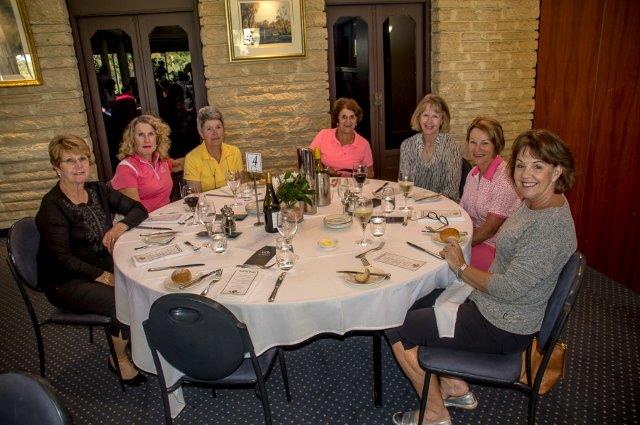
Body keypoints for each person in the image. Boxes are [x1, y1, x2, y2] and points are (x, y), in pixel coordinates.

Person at [388, 129, 577, 425]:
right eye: (520, 165)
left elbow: (509, 287)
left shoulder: (548, 228)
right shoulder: (539, 202)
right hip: (494, 305)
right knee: (413, 299)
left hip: (503, 324)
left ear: (557, 172)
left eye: (537, 166)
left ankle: (435, 413)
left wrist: (461, 268)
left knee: (394, 323)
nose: (525, 174)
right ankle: (455, 388)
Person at [36, 135, 148, 385]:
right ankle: (118, 359)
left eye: (83, 158)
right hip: (66, 280)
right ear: (57, 168)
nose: (78, 165)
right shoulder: (52, 206)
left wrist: (119, 227)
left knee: (143, 280)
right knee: (121, 300)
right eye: (69, 161)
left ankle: (138, 340)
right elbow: (61, 258)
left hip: (100, 262)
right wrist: (103, 276)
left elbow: (139, 209)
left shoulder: (98, 190)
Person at [459, 117, 521, 271]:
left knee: (447, 263)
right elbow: (462, 212)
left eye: (484, 143)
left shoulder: (504, 179)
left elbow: (489, 231)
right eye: (473, 142)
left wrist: (458, 244)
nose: (477, 149)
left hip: (495, 248)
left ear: (496, 145)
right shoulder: (473, 173)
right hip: (473, 237)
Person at [110, 115, 184, 213]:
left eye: (151, 134)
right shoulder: (126, 168)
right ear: (132, 140)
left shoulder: (160, 159)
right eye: (141, 135)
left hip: (167, 215)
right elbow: (135, 212)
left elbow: (180, 164)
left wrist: (203, 153)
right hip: (143, 220)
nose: (147, 140)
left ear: (157, 138)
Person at [399, 94, 461, 201]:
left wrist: (428, 205)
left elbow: (451, 191)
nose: (429, 121)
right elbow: (404, 182)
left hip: (443, 206)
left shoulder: (452, 147)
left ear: (442, 120)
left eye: (435, 116)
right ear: (419, 117)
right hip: (413, 204)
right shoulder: (407, 145)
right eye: (425, 115)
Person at [183, 106, 243, 192]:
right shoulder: (191, 158)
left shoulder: (234, 152)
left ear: (223, 130)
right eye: (209, 129)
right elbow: (196, 195)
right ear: (201, 133)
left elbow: (240, 187)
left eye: (218, 127)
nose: (215, 133)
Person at [310, 97, 374, 177]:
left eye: (352, 117)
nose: (348, 121)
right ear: (337, 119)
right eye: (344, 117)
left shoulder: (364, 144)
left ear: (356, 120)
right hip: (326, 182)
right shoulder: (324, 135)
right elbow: (309, 157)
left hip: (353, 184)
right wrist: (324, 171)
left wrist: (352, 177)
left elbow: (370, 174)